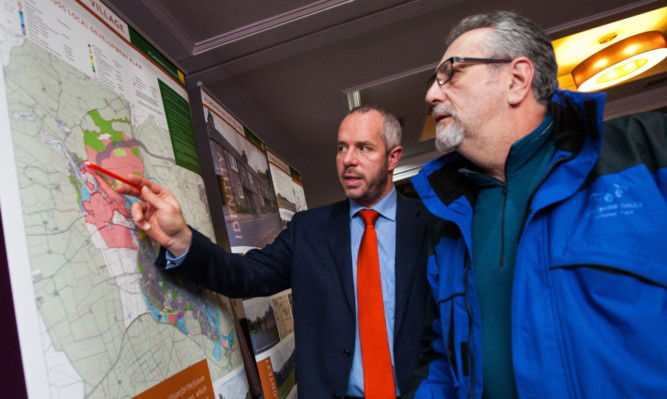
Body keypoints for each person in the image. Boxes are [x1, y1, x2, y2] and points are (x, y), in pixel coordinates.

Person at [411, 10, 667, 399]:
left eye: (452, 73)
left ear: (516, 80)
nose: (432, 93)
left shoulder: (647, 152)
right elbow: (441, 360)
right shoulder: (448, 222)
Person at [117, 105, 434, 398]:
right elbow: (245, 276)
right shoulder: (309, 229)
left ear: (393, 158)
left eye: (363, 148)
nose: (348, 159)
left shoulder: (436, 225)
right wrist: (180, 239)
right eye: (342, 147)